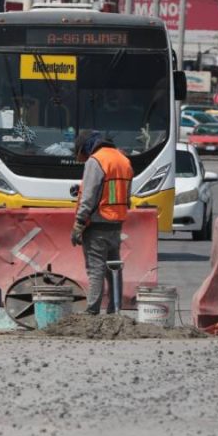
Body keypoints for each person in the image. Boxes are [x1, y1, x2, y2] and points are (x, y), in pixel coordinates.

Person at [70, 130, 134, 314]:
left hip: (97, 223)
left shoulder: (96, 160)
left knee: (95, 268)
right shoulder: (123, 159)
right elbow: (127, 195)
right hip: (117, 221)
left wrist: (79, 224)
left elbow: (89, 196)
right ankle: (115, 309)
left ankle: (92, 310)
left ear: (86, 147)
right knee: (113, 267)